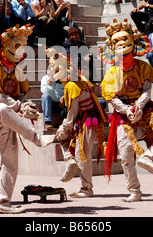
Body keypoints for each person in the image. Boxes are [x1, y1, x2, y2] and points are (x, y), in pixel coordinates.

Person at [0, 28, 56, 214]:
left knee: (10, 162)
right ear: (4, 46)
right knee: (2, 108)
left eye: (22, 47)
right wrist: (19, 107)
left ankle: (2, 202)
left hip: (7, 120)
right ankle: (36, 138)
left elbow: (21, 96)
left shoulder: (17, 70)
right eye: (17, 46)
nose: (20, 51)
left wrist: (27, 107)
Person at [100, 19, 153, 202]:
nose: (121, 45)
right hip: (123, 115)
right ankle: (134, 190)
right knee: (126, 154)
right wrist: (126, 109)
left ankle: (148, 157)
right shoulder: (112, 72)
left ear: (133, 43)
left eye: (124, 40)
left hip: (144, 109)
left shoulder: (143, 66)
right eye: (116, 42)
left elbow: (146, 90)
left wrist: (139, 106)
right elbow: (111, 97)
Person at [47, 48, 107, 197]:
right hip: (86, 120)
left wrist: (64, 127)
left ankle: (87, 188)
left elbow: (72, 112)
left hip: (88, 121)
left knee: (82, 155)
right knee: (75, 148)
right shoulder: (79, 80)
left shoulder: (72, 85)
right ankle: (69, 161)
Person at [40, 53, 65, 131]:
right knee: (45, 96)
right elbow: (44, 91)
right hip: (51, 103)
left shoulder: (64, 78)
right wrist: (50, 80)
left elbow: (69, 90)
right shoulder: (45, 78)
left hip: (62, 103)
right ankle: (48, 122)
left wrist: (64, 97)